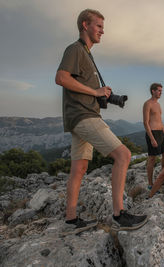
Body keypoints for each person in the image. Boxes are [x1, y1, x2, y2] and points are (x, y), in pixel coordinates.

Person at [55, 9, 147, 232]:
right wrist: (94, 92)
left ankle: (70, 219)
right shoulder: (75, 49)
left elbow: (81, 85)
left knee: (79, 168)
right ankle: (119, 215)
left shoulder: (86, 54)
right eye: (99, 26)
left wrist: (100, 93)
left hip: (81, 115)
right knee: (123, 155)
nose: (102, 31)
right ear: (85, 25)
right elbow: (61, 78)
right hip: (84, 114)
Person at [143, 83, 164, 189]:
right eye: (159, 90)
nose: (160, 93)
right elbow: (145, 122)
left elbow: (160, 121)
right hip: (152, 133)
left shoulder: (158, 104)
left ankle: (162, 176)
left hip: (161, 133)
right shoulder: (147, 104)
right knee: (152, 159)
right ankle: (150, 183)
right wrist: (152, 138)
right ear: (153, 91)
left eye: (161, 91)